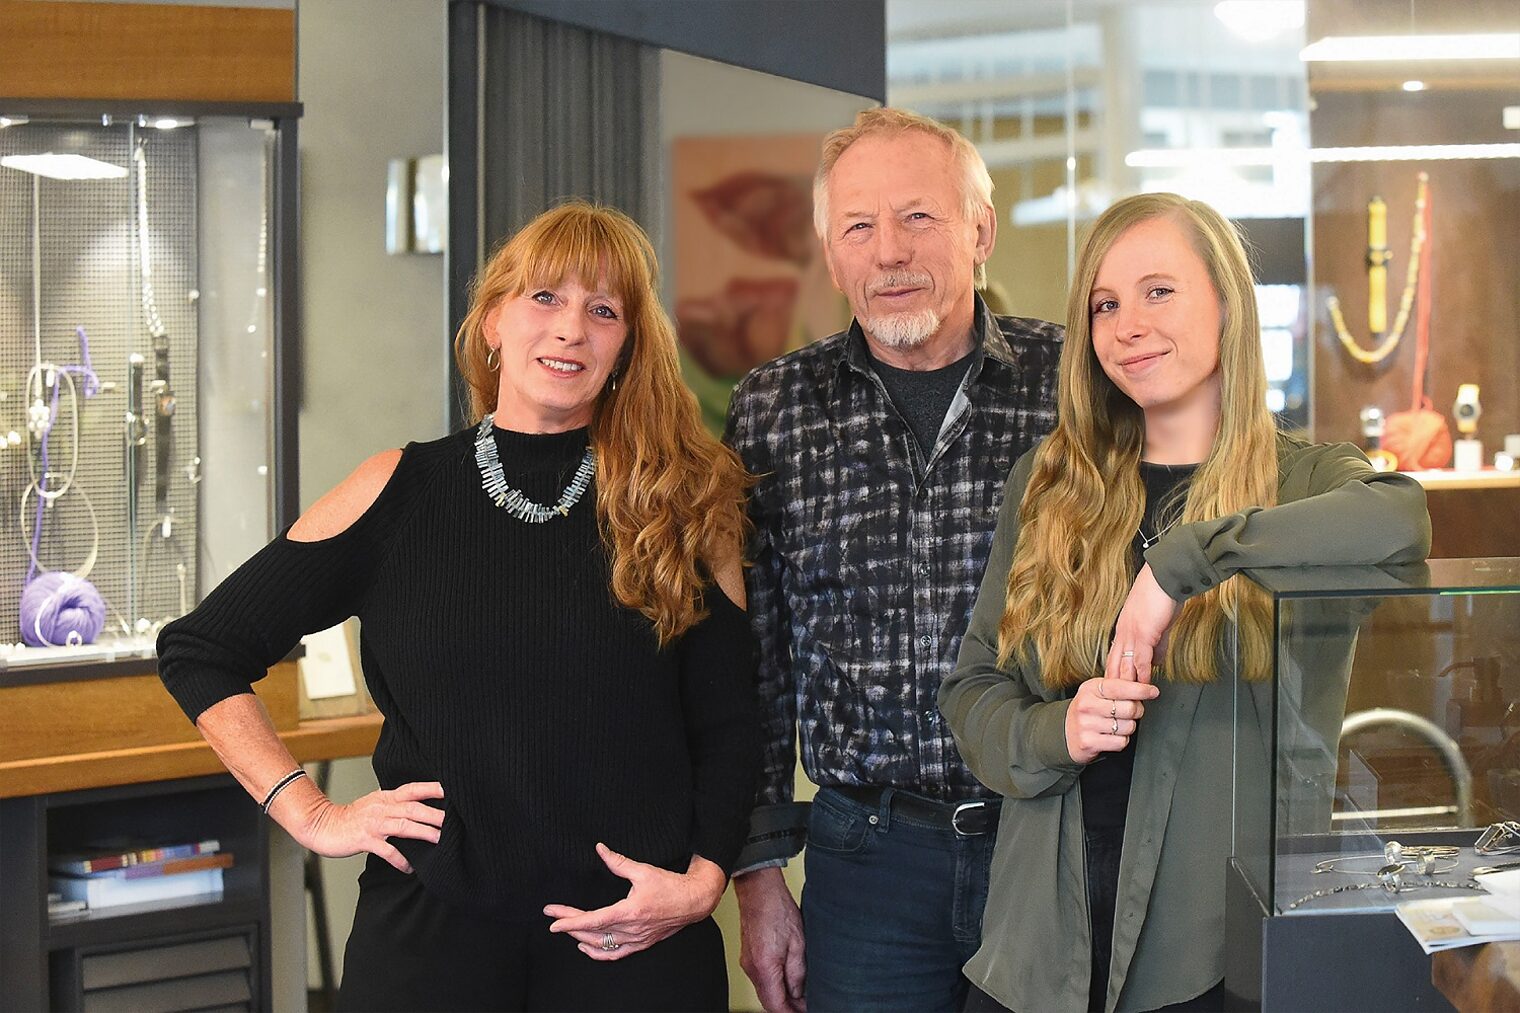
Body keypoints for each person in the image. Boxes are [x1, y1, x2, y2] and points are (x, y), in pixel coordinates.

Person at [158, 201, 761, 1012]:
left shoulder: (683, 501)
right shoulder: (395, 491)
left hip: (635, 942)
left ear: (625, 350)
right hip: (428, 943)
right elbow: (202, 649)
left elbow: (729, 724)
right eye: (545, 298)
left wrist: (702, 884)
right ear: (491, 322)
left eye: (603, 310)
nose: (571, 329)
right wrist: (310, 813)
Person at [939, 192, 1430, 1013]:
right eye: (1105, 304)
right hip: (1041, 950)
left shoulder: (1303, 480)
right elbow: (972, 688)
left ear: (1227, 305)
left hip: (1219, 956)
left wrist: (1184, 563)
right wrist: (1053, 729)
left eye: (1159, 290)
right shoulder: (1049, 481)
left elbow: (1401, 519)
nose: (1128, 324)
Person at [723, 107, 1063, 1013]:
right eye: (859, 227)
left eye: (918, 217)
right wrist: (758, 875)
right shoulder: (773, 409)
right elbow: (754, 658)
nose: (888, 254)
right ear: (830, 255)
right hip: (864, 861)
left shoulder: (1075, 387)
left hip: (1051, 843)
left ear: (979, 230)